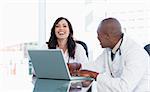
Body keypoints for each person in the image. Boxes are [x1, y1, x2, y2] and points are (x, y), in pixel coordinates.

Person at [77, 17, 150, 92]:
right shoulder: (110, 49)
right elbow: (96, 66)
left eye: (99, 34)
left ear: (108, 36)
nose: (97, 37)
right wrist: (77, 66)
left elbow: (124, 87)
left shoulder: (135, 53)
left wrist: (95, 75)